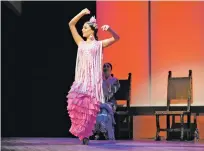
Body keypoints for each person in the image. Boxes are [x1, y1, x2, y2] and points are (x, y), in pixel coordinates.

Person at [66, 8, 120, 145]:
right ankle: (83, 133)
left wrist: (110, 29)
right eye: (82, 28)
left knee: (89, 108)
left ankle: (85, 135)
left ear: (92, 30)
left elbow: (116, 38)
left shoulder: (98, 44)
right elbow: (71, 24)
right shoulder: (80, 43)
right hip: (81, 81)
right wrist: (82, 13)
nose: (82, 30)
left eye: (85, 28)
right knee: (76, 103)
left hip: (91, 83)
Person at [93, 63, 120, 140]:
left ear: (111, 69)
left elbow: (112, 92)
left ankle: (103, 132)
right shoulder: (99, 81)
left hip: (110, 102)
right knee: (98, 109)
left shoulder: (115, 80)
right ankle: (101, 131)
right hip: (100, 102)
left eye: (107, 66)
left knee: (105, 109)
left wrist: (107, 83)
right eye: (104, 66)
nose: (105, 68)